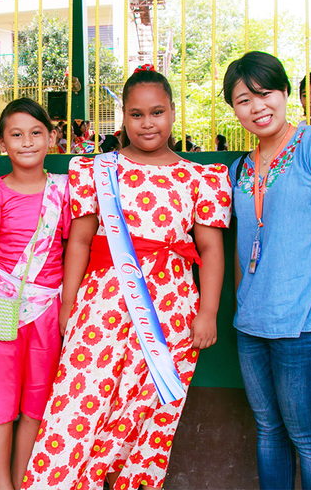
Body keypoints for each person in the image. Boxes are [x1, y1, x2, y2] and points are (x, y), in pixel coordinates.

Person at [22, 65, 231, 490]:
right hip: (101, 306)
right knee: (78, 403)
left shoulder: (201, 178)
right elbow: (79, 241)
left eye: (157, 112)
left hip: (170, 314)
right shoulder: (96, 170)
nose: (147, 123)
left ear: (173, 113)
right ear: (123, 118)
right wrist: (69, 304)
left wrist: (207, 313)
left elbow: (210, 250)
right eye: (136, 114)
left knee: (148, 415)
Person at [224, 51, 311, 489]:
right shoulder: (241, 168)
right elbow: (244, 244)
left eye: (266, 94)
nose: (258, 106)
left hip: (306, 324)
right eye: (244, 99)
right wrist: (241, 303)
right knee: (269, 432)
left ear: (286, 94)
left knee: (309, 436)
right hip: (251, 324)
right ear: (234, 108)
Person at [0, 97, 70, 490]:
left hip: (47, 315)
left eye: (37, 133)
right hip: (2, 315)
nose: (27, 142)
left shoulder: (66, 193)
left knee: (35, 405)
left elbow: (76, 253)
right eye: (17, 135)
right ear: (2, 142)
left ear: (52, 138)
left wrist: (66, 310)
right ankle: (1, 484)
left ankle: (23, 481)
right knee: (1, 405)